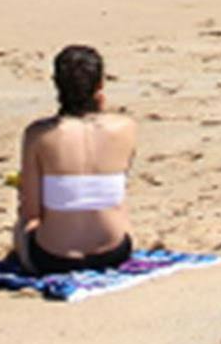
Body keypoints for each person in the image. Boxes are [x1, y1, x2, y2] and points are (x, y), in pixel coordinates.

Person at [13, 44, 138, 276]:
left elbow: (31, 212)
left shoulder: (38, 135)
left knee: (23, 226)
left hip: (52, 257)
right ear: (100, 85)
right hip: (114, 251)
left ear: (56, 84)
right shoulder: (125, 128)